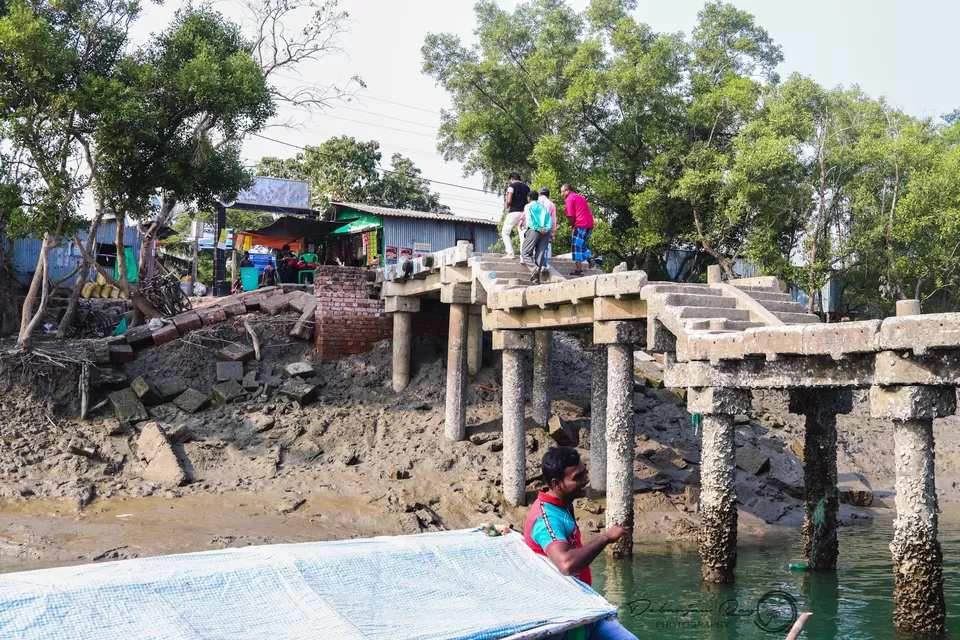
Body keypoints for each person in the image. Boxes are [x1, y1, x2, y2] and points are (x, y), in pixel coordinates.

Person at [525, 447, 637, 640]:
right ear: (557, 484)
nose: (585, 479)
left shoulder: (563, 502)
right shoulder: (546, 518)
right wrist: (606, 538)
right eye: (578, 477)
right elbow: (566, 564)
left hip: (584, 606)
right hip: (560, 617)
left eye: (584, 471)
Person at [560, 184, 595, 276]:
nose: (561, 194)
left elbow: (570, 216)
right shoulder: (580, 197)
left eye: (562, 191)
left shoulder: (569, 199)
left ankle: (579, 270)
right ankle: (590, 258)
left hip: (580, 224)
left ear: (567, 191)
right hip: (590, 224)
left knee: (575, 246)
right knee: (582, 244)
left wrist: (573, 226)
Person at [520, 190, 553, 284]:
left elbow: (530, 220)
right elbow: (550, 221)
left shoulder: (528, 206)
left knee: (525, 253)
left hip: (534, 231)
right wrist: (546, 229)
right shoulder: (544, 207)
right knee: (540, 256)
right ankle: (536, 280)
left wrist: (538, 228)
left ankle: (534, 269)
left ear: (529, 198)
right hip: (545, 233)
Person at [502, 171, 530, 258]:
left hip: (514, 212)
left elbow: (509, 200)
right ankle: (523, 257)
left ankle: (510, 253)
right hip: (524, 214)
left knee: (505, 232)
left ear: (512, 179)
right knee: (522, 236)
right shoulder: (527, 188)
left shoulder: (511, 186)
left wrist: (506, 205)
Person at [537, 187, 558, 268]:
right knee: (544, 247)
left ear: (539, 194)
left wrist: (522, 220)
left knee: (535, 246)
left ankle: (536, 265)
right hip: (546, 228)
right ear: (549, 196)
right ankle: (543, 266)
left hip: (536, 228)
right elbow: (553, 221)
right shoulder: (551, 204)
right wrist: (552, 232)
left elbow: (528, 212)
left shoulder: (536, 202)